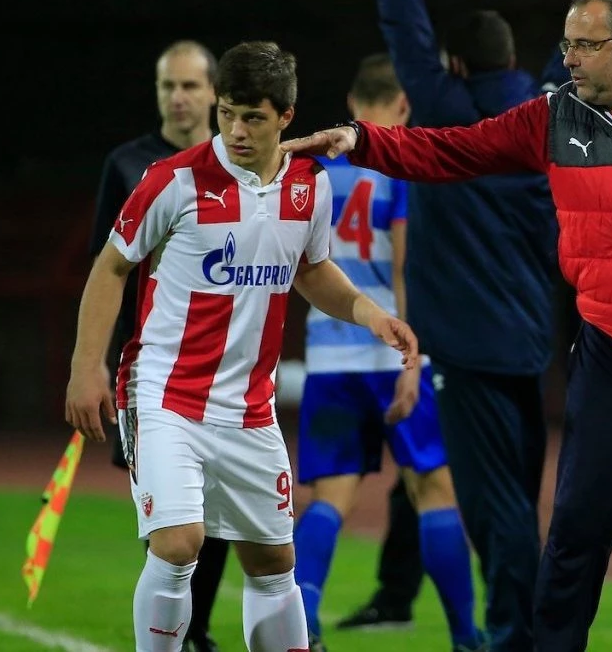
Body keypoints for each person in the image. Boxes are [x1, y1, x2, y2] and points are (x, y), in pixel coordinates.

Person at [283, 0, 612, 652]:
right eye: (567, 45)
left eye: (585, 46)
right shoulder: (553, 116)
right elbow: (453, 151)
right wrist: (360, 141)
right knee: (573, 539)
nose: (569, 59)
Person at [65, 40, 419, 652]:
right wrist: (85, 366)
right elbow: (111, 266)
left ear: (286, 116)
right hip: (166, 395)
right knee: (179, 543)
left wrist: (370, 313)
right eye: (228, 113)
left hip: (251, 408)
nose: (236, 130)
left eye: (252, 117)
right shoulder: (174, 180)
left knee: (274, 560)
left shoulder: (309, 184)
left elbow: (311, 269)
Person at [335, 0, 612, 642]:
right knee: (515, 498)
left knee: (496, 510)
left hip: (464, 349)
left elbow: (404, 27)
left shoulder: (438, 106)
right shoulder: (548, 106)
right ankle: (532, 627)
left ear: (454, 64)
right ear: (513, 58)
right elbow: (581, 28)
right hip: (531, 341)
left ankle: (517, 634)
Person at [292, 53, 485, 652]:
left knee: (330, 497)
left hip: (329, 354)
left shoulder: (314, 173)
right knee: (434, 488)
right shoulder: (398, 166)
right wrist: (413, 358)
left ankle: (305, 626)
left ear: (353, 104)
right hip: (392, 349)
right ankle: (466, 635)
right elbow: (405, 267)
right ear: (404, 105)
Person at [88, 39, 227, 652]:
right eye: (168, 85)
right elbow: (105, 269)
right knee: (171, 518)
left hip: (225, 370)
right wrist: (93, 363)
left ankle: (196, 630)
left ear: (214, 92)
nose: (178, 97)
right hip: (150, 370)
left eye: (190, 85)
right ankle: (178, 632)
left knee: (220, 514)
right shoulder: (128, 165)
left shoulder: (237, 162)